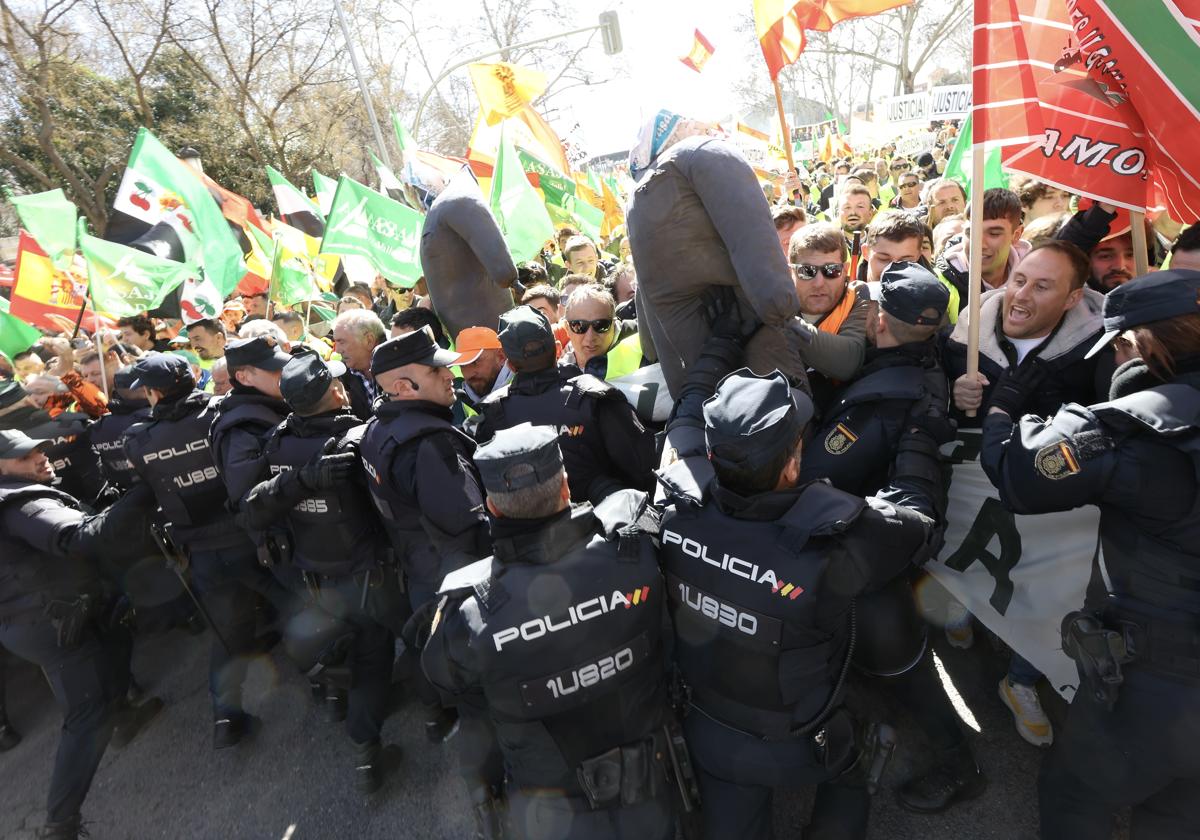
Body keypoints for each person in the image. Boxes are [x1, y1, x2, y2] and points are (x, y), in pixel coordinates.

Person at [656, 365, 945, 840]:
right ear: (793, 466)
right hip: (806, 740)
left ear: (711, 454)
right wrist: (918, 439)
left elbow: (683, 424)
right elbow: (919, 523)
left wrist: (711, 359)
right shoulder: (840, 533)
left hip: (710, 732)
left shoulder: (673, 508)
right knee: (851, 773)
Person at [979, 270, 1200, 839]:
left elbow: (1022, 476)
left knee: (1077, 793)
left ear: (1139, 344)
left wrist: (1006, 413)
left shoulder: (1135, 429)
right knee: (1179, 813)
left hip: (1160, 677)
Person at [421, 423, 677, 840]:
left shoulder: (466, 612)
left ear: (492, 507)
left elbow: (444, 681)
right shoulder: (637, 549)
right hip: (649, 788)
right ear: (565, 487)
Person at [798, 263, 986, 812]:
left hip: (866, 557)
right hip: (859, 546)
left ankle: (960, 762)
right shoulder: (926, 361)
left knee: (898, 658)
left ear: (879, 318)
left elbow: (909, 497)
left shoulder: (899, 397)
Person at [243, 351, 403, 793]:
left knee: (352, 649)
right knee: (379, 654)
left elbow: (253, 508)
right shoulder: (359, 437)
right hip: (370, 577)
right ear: (335, 391)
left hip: (317, 579)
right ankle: (368, 751)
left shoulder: (278, 442)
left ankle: (346, 708)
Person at [357, 329, 499, 821]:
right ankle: (487, 794)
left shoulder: (379, 427)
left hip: (421, 574)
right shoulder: (430, 444)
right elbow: (470, 528)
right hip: (455, 583)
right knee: (482, 700)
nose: (450, 377)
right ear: (401, 388)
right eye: (437, 371)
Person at [0, 429, 164, 840]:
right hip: (51, 625)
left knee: (117, 631)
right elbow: (80, 537)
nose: (40, 458)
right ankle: (60, 824)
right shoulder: (24, 505)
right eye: (25, 457)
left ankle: (123, 715)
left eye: (38, 449)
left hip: (58, 614)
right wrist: (144, 491)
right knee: (86, 718)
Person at [122, 352, 287, 750]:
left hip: (203, 554)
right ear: (192, 376)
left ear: (152, 392)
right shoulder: (222, 413)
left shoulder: (138, 440)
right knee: (299, 606)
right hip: (252, 537)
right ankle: (328, 681)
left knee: (227, 634)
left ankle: (226, 716)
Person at [624, 116, 809, 398]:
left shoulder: (635, 202)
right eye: (696, 124)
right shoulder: (704, 152)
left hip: (696, 380)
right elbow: (753, 238)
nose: (706, 128)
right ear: (680, 130)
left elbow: (649, 335)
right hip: (760, 346)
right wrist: (786, 315)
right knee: (783, 425)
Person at [475, 306, 656, 506]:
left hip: (528, 532)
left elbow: (489, 493)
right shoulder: (594, 396)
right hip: (603, 524)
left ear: (509, 365)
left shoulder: (492, 414)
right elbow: (642, 468)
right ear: (559, 348)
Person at [787, 222, 871, 406]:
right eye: (806, 271)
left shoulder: (858, 298)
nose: (818, 283)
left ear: (845, 270)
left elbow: (848, 361)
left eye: (831, 271)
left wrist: (783, 321)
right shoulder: (776, 300)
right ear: (789, 271)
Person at [935, 189, 1030, 302]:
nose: (979, 244)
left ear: (1016, 235)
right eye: (970, 232)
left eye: (993, 234)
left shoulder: (1037, 279)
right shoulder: (937, 286)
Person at [560, 285, 643, 381]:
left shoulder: (643, 346)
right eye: (579, 326)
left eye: (601, 325)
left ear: (614, 324)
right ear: (567, 328)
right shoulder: (559, 376)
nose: (590, 337)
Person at [331, 309, 386, 420]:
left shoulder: (399, 366)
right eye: (335, 342)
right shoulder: (341, 375)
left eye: (342, 342)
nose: (337, 350)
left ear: (369, 340)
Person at [453, 327, 512, 414]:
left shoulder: (525, 385)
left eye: (475, 362)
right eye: (463, 365)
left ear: (501, 356)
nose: (469, 373)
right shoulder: (464, 400)